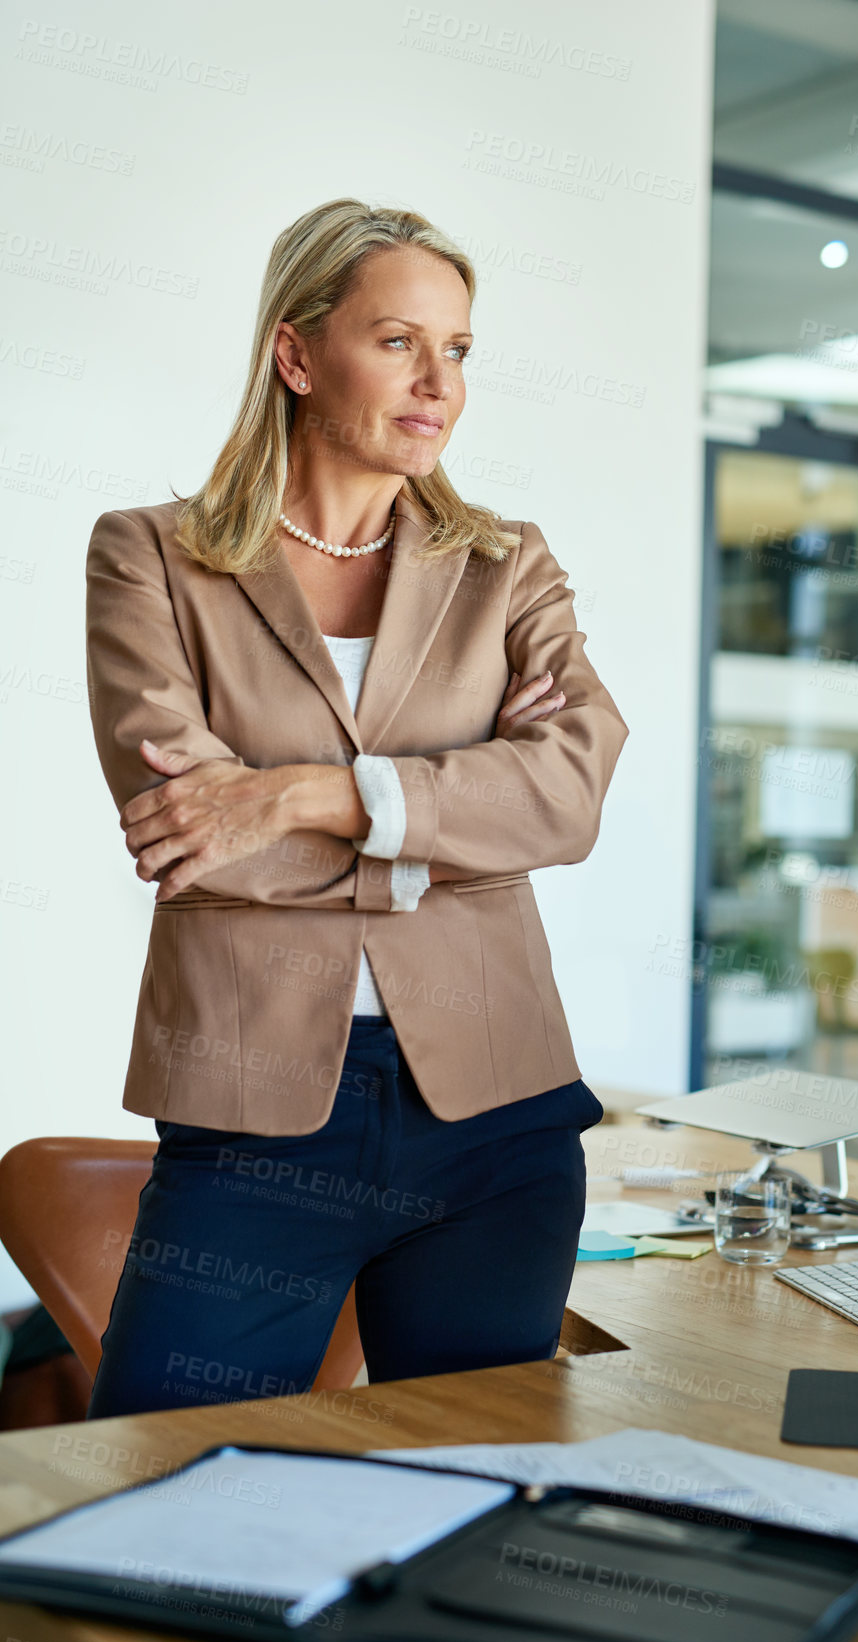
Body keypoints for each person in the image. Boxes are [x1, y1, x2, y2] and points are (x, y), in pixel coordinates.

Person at [83, 197, 629, 1419]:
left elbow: (571, 796)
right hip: (254, 1112)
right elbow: (190, 836)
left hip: (499, 1114)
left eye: (461, 350)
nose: (440, 383)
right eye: (398, 342)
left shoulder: (507, 566)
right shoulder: (148, 557)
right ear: (296, 354)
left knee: (482, 1494)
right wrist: (458, 823)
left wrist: (295, 796)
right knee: (152, 1484)